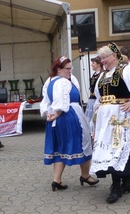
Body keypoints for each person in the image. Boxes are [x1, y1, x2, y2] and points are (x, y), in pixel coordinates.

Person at [91, 43, 130, 204]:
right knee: (110, 148)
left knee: (117, 148)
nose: (102, 61)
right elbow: (99, 96)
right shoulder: (103, 75)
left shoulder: (126, 70)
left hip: (122, 115)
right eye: (101, 58)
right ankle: (126, 182)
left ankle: (116, 186)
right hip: (107, 117)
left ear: (114, 56)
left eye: (104, 58)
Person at [40, 56, 99, 191]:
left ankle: (56, 180)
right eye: (67, 68)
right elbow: (61, 101)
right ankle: (85, 175)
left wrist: (48, 113)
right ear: (59, 69)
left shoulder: (50, 81)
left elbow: (46, 101)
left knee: (60, 148)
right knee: (84, 143)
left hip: (57, 119)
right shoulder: (63, 82)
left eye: (71, 68)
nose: (70, 71)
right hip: (69, 116)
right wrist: (58, 112)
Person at [85, 56, 103, 123]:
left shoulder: (102, 74)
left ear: (98, 64)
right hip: (92, 99)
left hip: (97, 99)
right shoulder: (94, 74)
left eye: (93, 63)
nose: (91, 64)